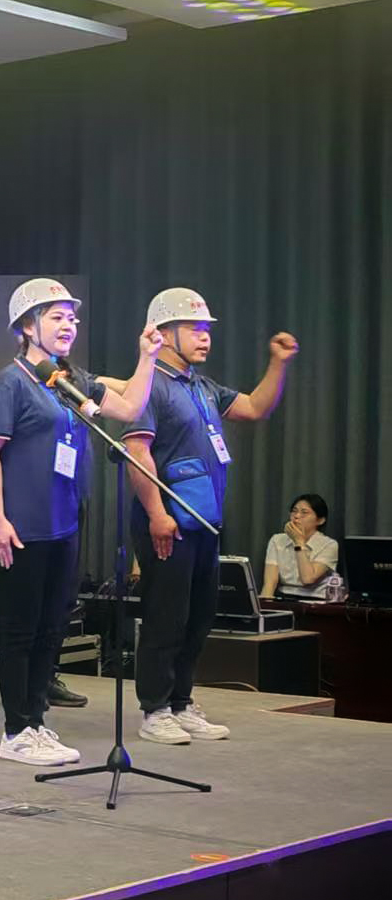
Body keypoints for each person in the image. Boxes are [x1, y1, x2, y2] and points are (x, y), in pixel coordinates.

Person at [0, 279, 162, 766]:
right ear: (27, 326)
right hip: (22, 526)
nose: (68, 326)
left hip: (65, 523)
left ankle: (36, 721)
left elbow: (130, 407)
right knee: (21, 630)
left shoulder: (70, 379)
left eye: (72, 318)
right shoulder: (11, 382)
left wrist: (147, 357)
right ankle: (16, 730)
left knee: (51, 628)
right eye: (57, 317)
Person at [125, 287, 297, 745]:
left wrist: (278, 363)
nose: (205, 338)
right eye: (195, 329)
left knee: (198, 617)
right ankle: (155, 709)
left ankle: (181, 703)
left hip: (203, 521)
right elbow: (137, 452)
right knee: (165, 617)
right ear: (164, 333)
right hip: (168, 522)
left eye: (206, 330)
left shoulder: (202, 387)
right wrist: (157, 514)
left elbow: (255, 408)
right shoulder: (150, 384)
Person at [261, 494, 338, 599]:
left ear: (320, 520)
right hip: (284, 598)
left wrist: (299, 542)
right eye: (294, 511)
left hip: (315, 600)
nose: (296, 516)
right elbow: (270, 583)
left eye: (304, 512)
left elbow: (307, 579)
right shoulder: (277, 540)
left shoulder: (329, 545)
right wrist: (264, 605)